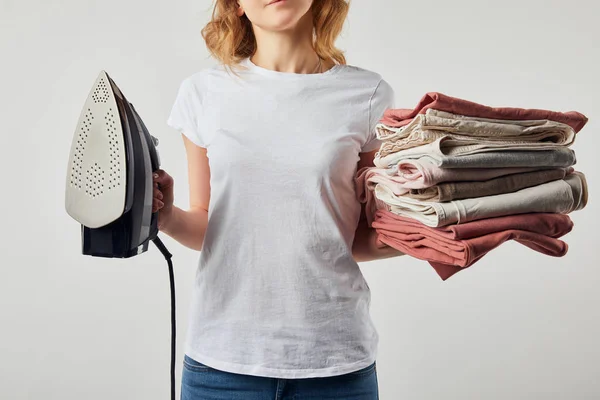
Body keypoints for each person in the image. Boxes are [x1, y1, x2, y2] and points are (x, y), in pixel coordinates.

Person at [153, 0, 405, 398]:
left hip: (335, 364)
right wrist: (165, 217)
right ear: (235, 5)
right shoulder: (203, 93)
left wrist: (437, 231)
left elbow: (362, 234)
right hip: (221, 364)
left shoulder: (368, 94)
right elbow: (210, 225)